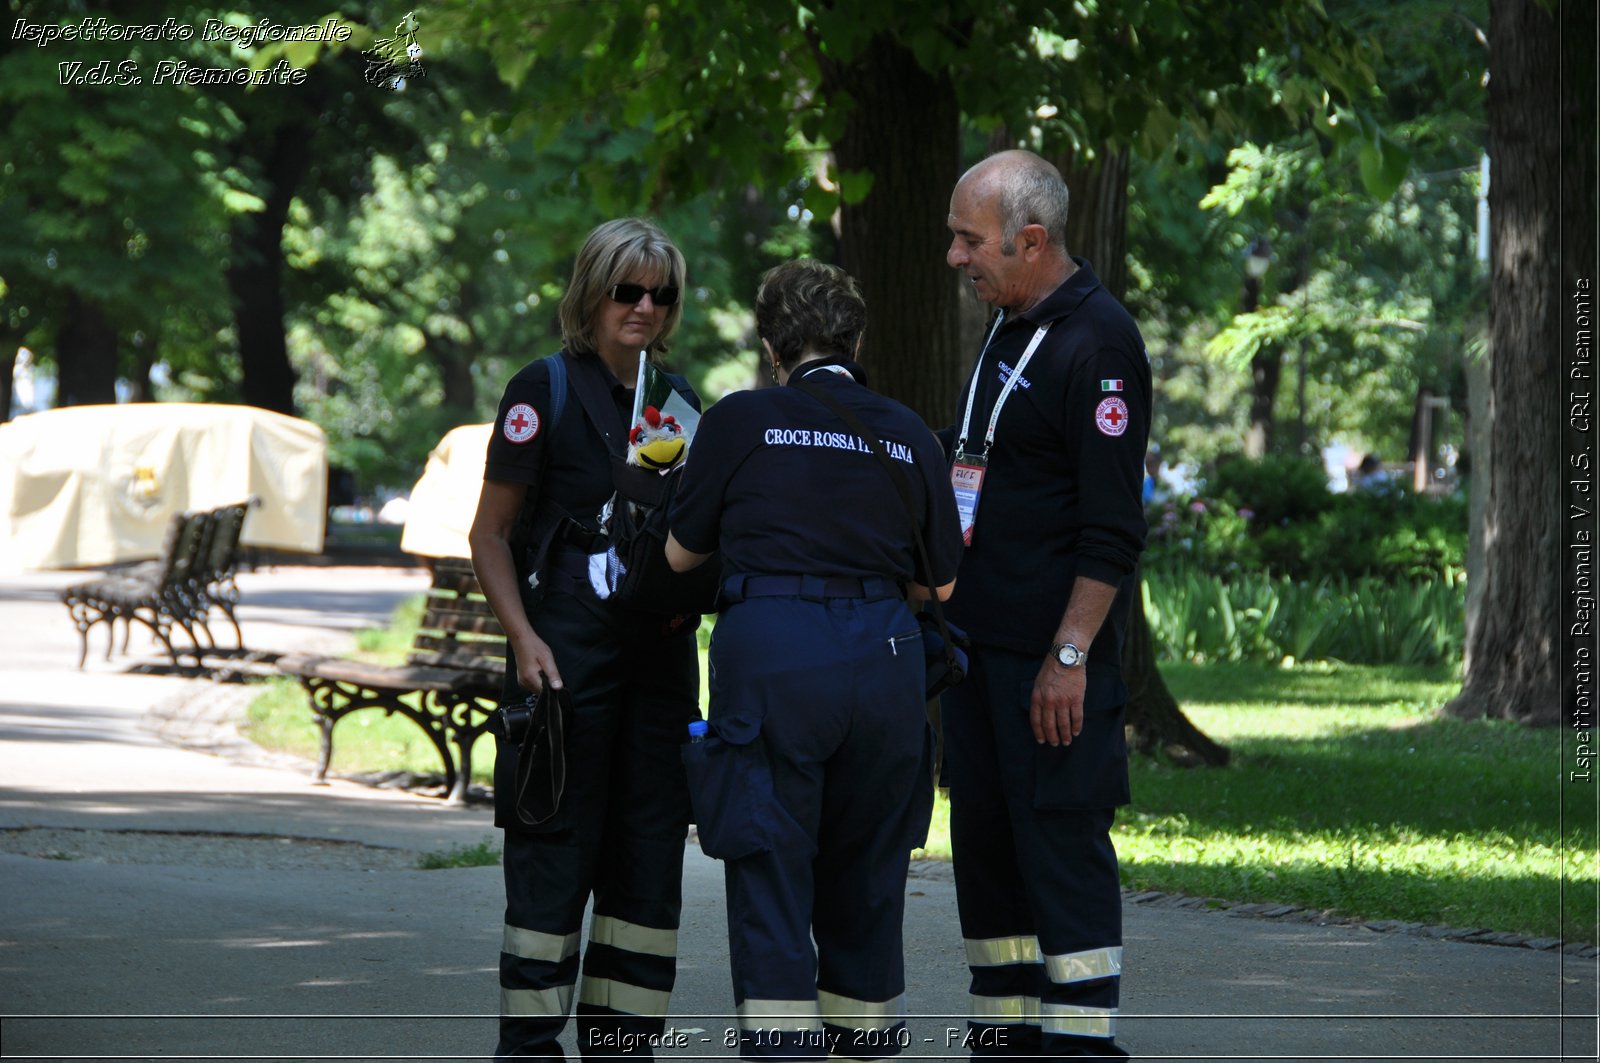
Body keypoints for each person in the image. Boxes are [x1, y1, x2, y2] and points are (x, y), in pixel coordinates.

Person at [664, 260, 963, 1061]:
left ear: (771, 344)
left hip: (775, 651)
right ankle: (863, 1047)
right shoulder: (905, 430)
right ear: (857, 338)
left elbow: (681, 551)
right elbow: (942, 580)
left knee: (769, 866)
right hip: (885, 656)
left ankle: (783, 1049)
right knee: (870, 875)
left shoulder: (738, 420)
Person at [469, 217, 703, 1061]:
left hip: (660, 667)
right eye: (626, 289)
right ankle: (529, 1048)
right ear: (592, 292)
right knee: (553, 859)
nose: (644, 306)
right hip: (561, 665)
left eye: (661, 293)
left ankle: (623, 1048)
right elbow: (489, 534)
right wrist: (524, 639)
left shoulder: (676, 403)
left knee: (646, 868)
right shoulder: (544, 389)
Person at [938, 149, 1151, 1059]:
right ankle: (1006, 1041)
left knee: (1060, 857)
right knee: (988, 861)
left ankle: (1079, 1046)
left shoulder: (1098, 342)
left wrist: (1069, 656)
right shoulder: (1007, 319)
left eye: (968, 239)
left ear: (1032, 240)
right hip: (978, 658)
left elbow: (1112, 529)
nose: (954, 256)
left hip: (1048, 668)